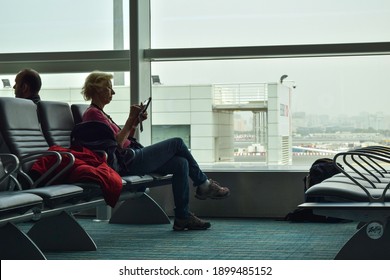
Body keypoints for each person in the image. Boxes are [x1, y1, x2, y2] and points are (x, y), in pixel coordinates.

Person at [80, 71, 230, 231]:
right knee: (177, 143)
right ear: (97, 89)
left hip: (130, 157)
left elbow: (123, 140)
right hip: (125, 162)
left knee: (181, 163)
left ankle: (182, 217)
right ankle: (204, 184)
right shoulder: (93, 114)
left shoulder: (100, 113)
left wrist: (134, 123)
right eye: (109, 88)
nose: (113, 92)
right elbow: (116, 144)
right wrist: (130, 119)